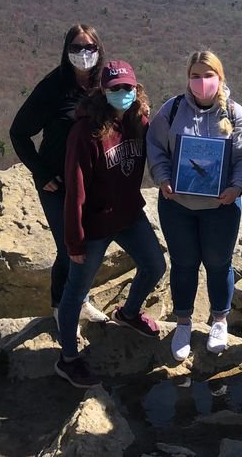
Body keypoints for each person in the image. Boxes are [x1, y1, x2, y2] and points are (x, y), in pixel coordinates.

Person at [54, 60, 166, 388]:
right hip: (94, 224)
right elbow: (75, 190)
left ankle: (128, 313)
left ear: (136, 88)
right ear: (103, 91)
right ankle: (68, 358)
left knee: (155, 265)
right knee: (75, 292)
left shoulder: (139, 121)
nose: (122, 93)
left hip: (129, 215)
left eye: (127, 88)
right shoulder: (85, 132)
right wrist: (74, 241)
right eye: (115, 89)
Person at [147, 50, 242, 361]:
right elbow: (155, 147)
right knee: (183, 264)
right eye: (195, 75)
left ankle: (219, 320)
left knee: (219, 264)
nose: (202, 81)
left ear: (220, 78)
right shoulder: (172, 109)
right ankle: (183, 322)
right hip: (176, 204)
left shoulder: (235, 115)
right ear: (187, 78)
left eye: (208, 75)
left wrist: (237, 187)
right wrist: (163, 178)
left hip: (222, 207)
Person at [9, 23, 109, 326]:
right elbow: (19, 132)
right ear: (67, 51)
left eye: (89, 47)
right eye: (76, 48)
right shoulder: (53, 87)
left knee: (88, 244)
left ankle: (81, 300)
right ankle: (60, 306)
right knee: (69, 246)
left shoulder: (104, 85)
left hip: (92, 181)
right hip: (58, 182)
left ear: (99, 50)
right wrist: (42, 173)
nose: (83, 54)